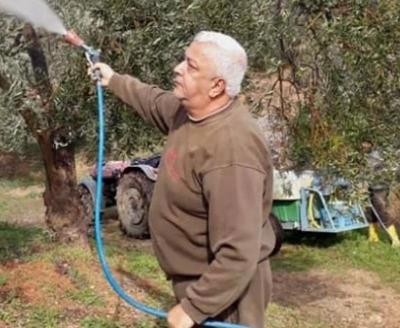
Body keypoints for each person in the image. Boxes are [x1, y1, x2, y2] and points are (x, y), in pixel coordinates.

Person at [89, 31, 276, 328]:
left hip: (228, 294)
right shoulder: (188, 113)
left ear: (217, 86)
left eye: (191, 66)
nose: (178, 68)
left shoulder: (231, 149)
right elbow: (151, 100)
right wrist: (113, 79)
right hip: (199, 281)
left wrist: (193, 308)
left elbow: (239, 252)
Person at [361, 140, 400, 247]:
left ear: (372, 144)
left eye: (366, 143)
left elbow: (369, 170)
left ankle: (395, 239)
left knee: (381, 211)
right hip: (371, 188)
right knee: (369, 212)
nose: (364, 145)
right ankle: (373, 237)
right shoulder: (365, 155)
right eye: (363, 143)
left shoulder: (376, 155)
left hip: (380, 188)